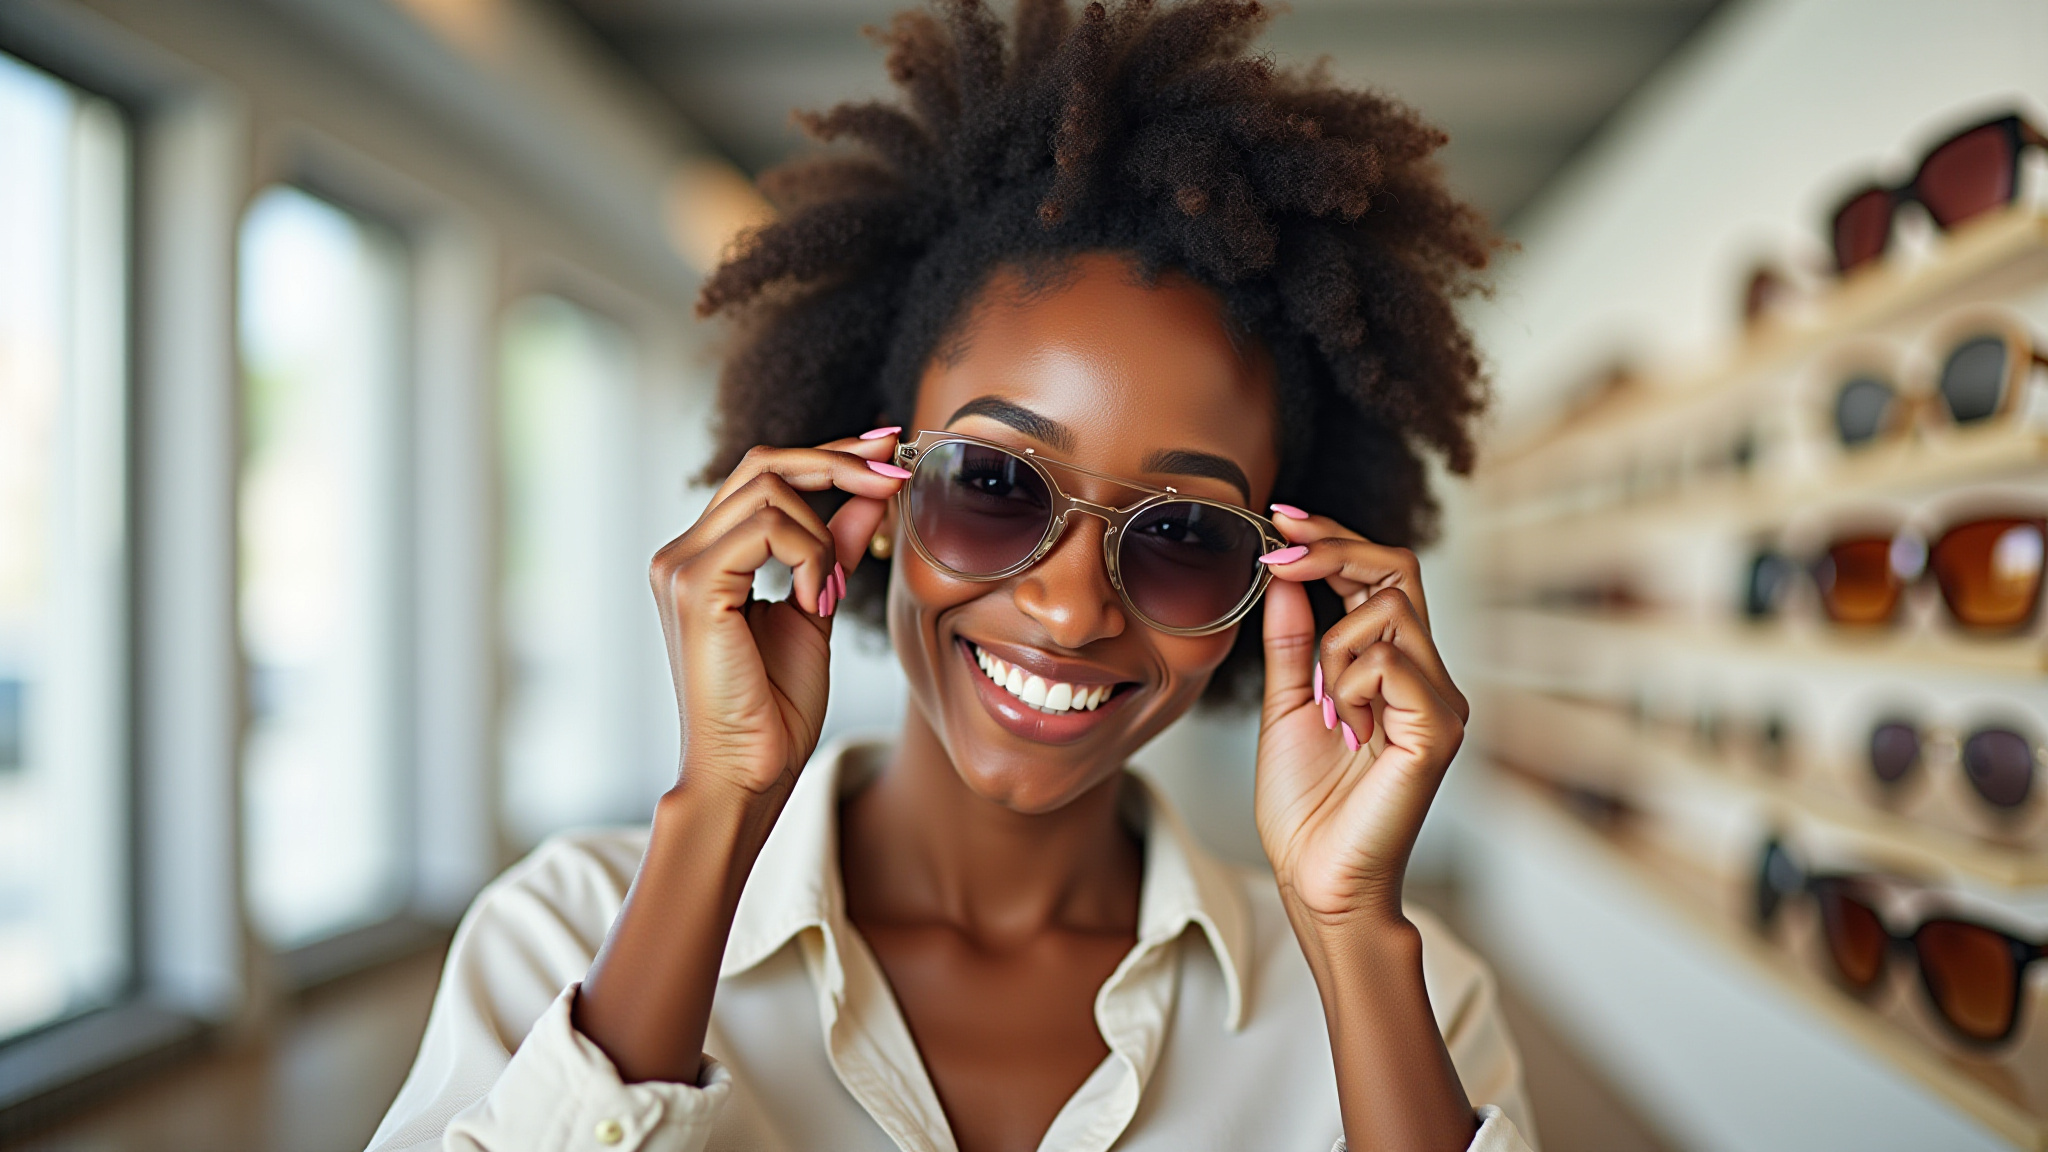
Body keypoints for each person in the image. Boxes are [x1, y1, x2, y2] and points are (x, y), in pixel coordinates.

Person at [369, 0, 1532, 1148]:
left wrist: (1346, 933)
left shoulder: (1412, 1012)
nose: (1071, 607)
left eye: (1184, 536)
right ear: (872, 490)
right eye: (992, 485)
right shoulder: (563, 931)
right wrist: (716, 816)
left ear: (1282, 582)